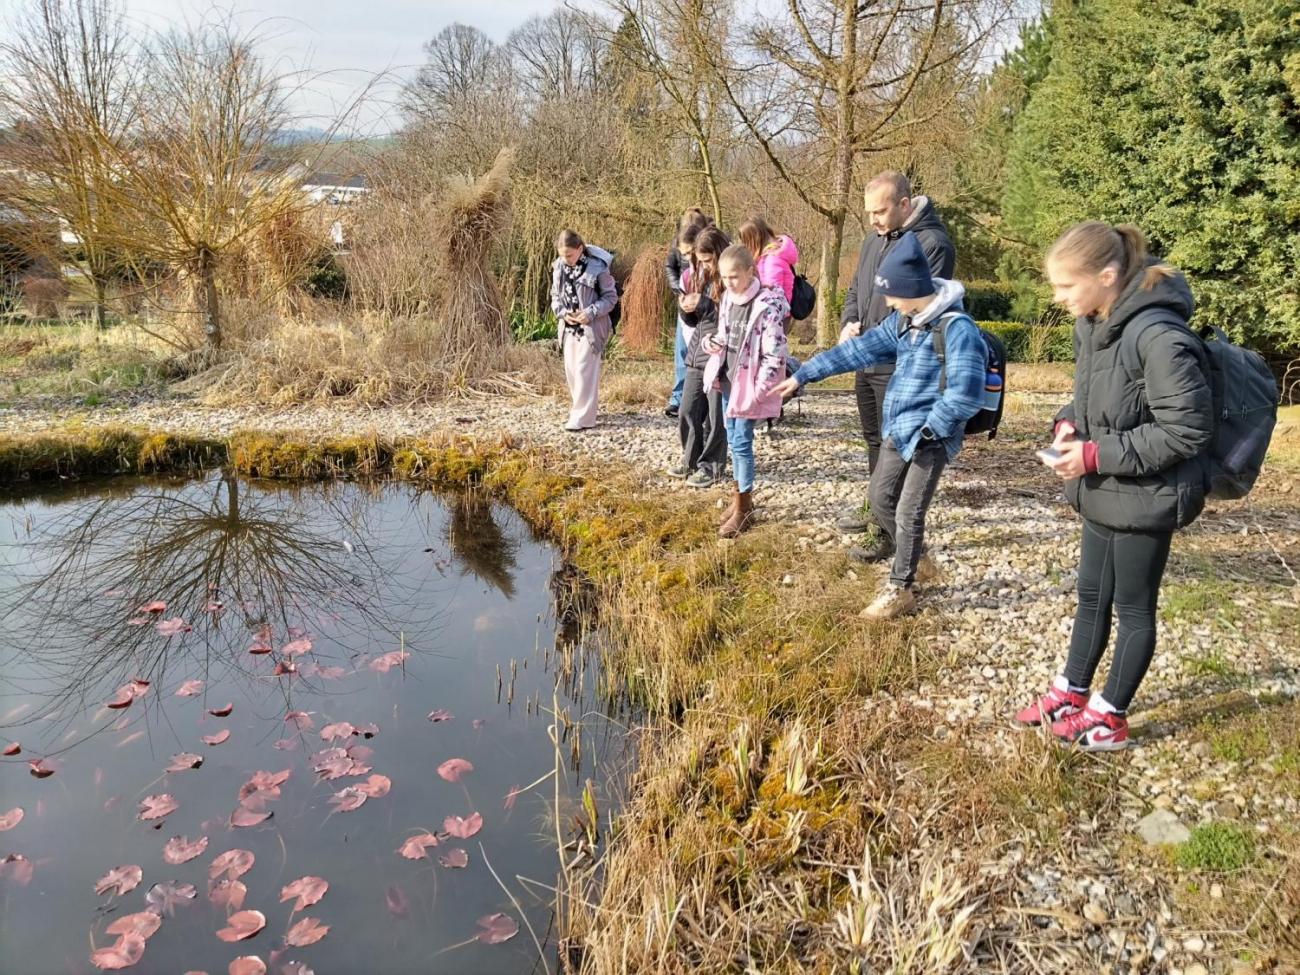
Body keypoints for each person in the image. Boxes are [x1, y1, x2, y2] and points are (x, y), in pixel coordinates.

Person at [1014, 222, 1213, 751]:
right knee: (1090, 596)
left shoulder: (1158, 335)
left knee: (1133, 609)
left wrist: (1095, 454)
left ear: (1106, 276)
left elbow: (1187, 430)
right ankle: (1072, 690)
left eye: (1065, 287)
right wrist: (1067, 426)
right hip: (1103, 486)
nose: (1058, 299)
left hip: (1149, 492)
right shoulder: (1093, 323)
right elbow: (1088, 398)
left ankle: (1111, 716)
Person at [775, 233, 984, 620]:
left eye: (891, 294)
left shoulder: (958, 330)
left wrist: (930, 429)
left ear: (910, 288)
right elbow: (857, 350)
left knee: (908, 512)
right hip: (899, 428)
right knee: (880, 497)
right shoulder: (903, 323)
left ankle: (900, 587)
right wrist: (803, 375)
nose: (887, 302)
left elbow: (966, 395)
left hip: (929, 438)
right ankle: (916, 556)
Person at [838, 172, 955, 551]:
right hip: (867, 359)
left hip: (901, 366)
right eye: (869, 212)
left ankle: (892, 535)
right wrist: (848, 323)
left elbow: (916, 308)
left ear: (904, 205)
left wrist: (874, 340)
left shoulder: (932, 243)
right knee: (874, 439)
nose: (872, 219)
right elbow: (857, 287)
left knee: (899, 446)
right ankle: (877, 508)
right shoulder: (874, 238)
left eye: (880, 211)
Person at [701, 245, 790, 538]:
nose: (728, 283)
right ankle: (737, 496)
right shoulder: (727, 297)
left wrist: (759, 392)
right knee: (731, 433)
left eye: (734, 277)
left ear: (750, 271)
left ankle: (744, 507)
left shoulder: (767, 306)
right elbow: (724, 334)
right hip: (728, 378)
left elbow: (775, 355)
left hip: (750, 384)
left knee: (741, 442)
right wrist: (711, 343)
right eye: (724, 277)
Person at [670, 226, 731, 488]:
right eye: (700, 260)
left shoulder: (731, 277)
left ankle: (713, 466)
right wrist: (686, 310)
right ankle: (691, 458)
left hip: (721, 355)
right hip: (698, 351)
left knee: (716, 417)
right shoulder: (700, 276)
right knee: (688, 410)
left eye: (708, 260)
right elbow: (698, 318)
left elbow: (729, 317)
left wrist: (703, 304)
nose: (704, 266)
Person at [551, 229, 618, 432]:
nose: (566, 259)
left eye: (570, 255)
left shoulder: (599, 269)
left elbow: (611, 298)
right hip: (568, 327)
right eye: (562, 255)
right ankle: (582, 409)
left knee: (584, 370)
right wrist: (562, 312)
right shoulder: (558, 267)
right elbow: (555, 296)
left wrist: (589, 313)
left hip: (591, 328)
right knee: (572, 371)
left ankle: (582, 417)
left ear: (580, 249)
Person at [665, 208, 713, 418]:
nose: (686, 256)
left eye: (689, 253)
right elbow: (671, 266)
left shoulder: (710, 257)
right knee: (683, 354)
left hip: (706, 312)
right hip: (686, 301)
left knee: (701, 356)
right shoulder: (679, 245)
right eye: (683, 253)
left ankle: (701, 400)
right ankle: (680, 397)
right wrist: (679, 291)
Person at [737, 216, 799, 306]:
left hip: (776, 313)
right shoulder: (768, 256)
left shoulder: (771, 261)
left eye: (745, 242)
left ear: (753, 240)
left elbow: (773, 296)